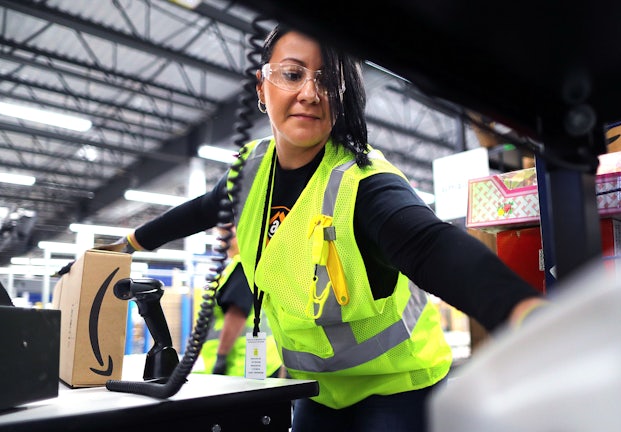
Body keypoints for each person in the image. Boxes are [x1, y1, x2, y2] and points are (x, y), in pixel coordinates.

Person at [108, 25, 546, 432]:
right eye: (292, 74)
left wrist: (522, 313)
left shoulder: (363, 182)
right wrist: (126, 244)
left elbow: (430, 245)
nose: (310, 93)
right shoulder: (252, 170)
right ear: (262, 88)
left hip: (396, 389)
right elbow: (201, 208)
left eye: (328, 80)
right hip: (315, 392)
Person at [194, 227, 282, 378]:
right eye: (221, 237)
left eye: (229, 235)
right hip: (259, 362)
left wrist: (221, 358)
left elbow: (236, 314)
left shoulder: (243, 266)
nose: (224, 242)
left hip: (242, 365)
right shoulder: (240, 267)